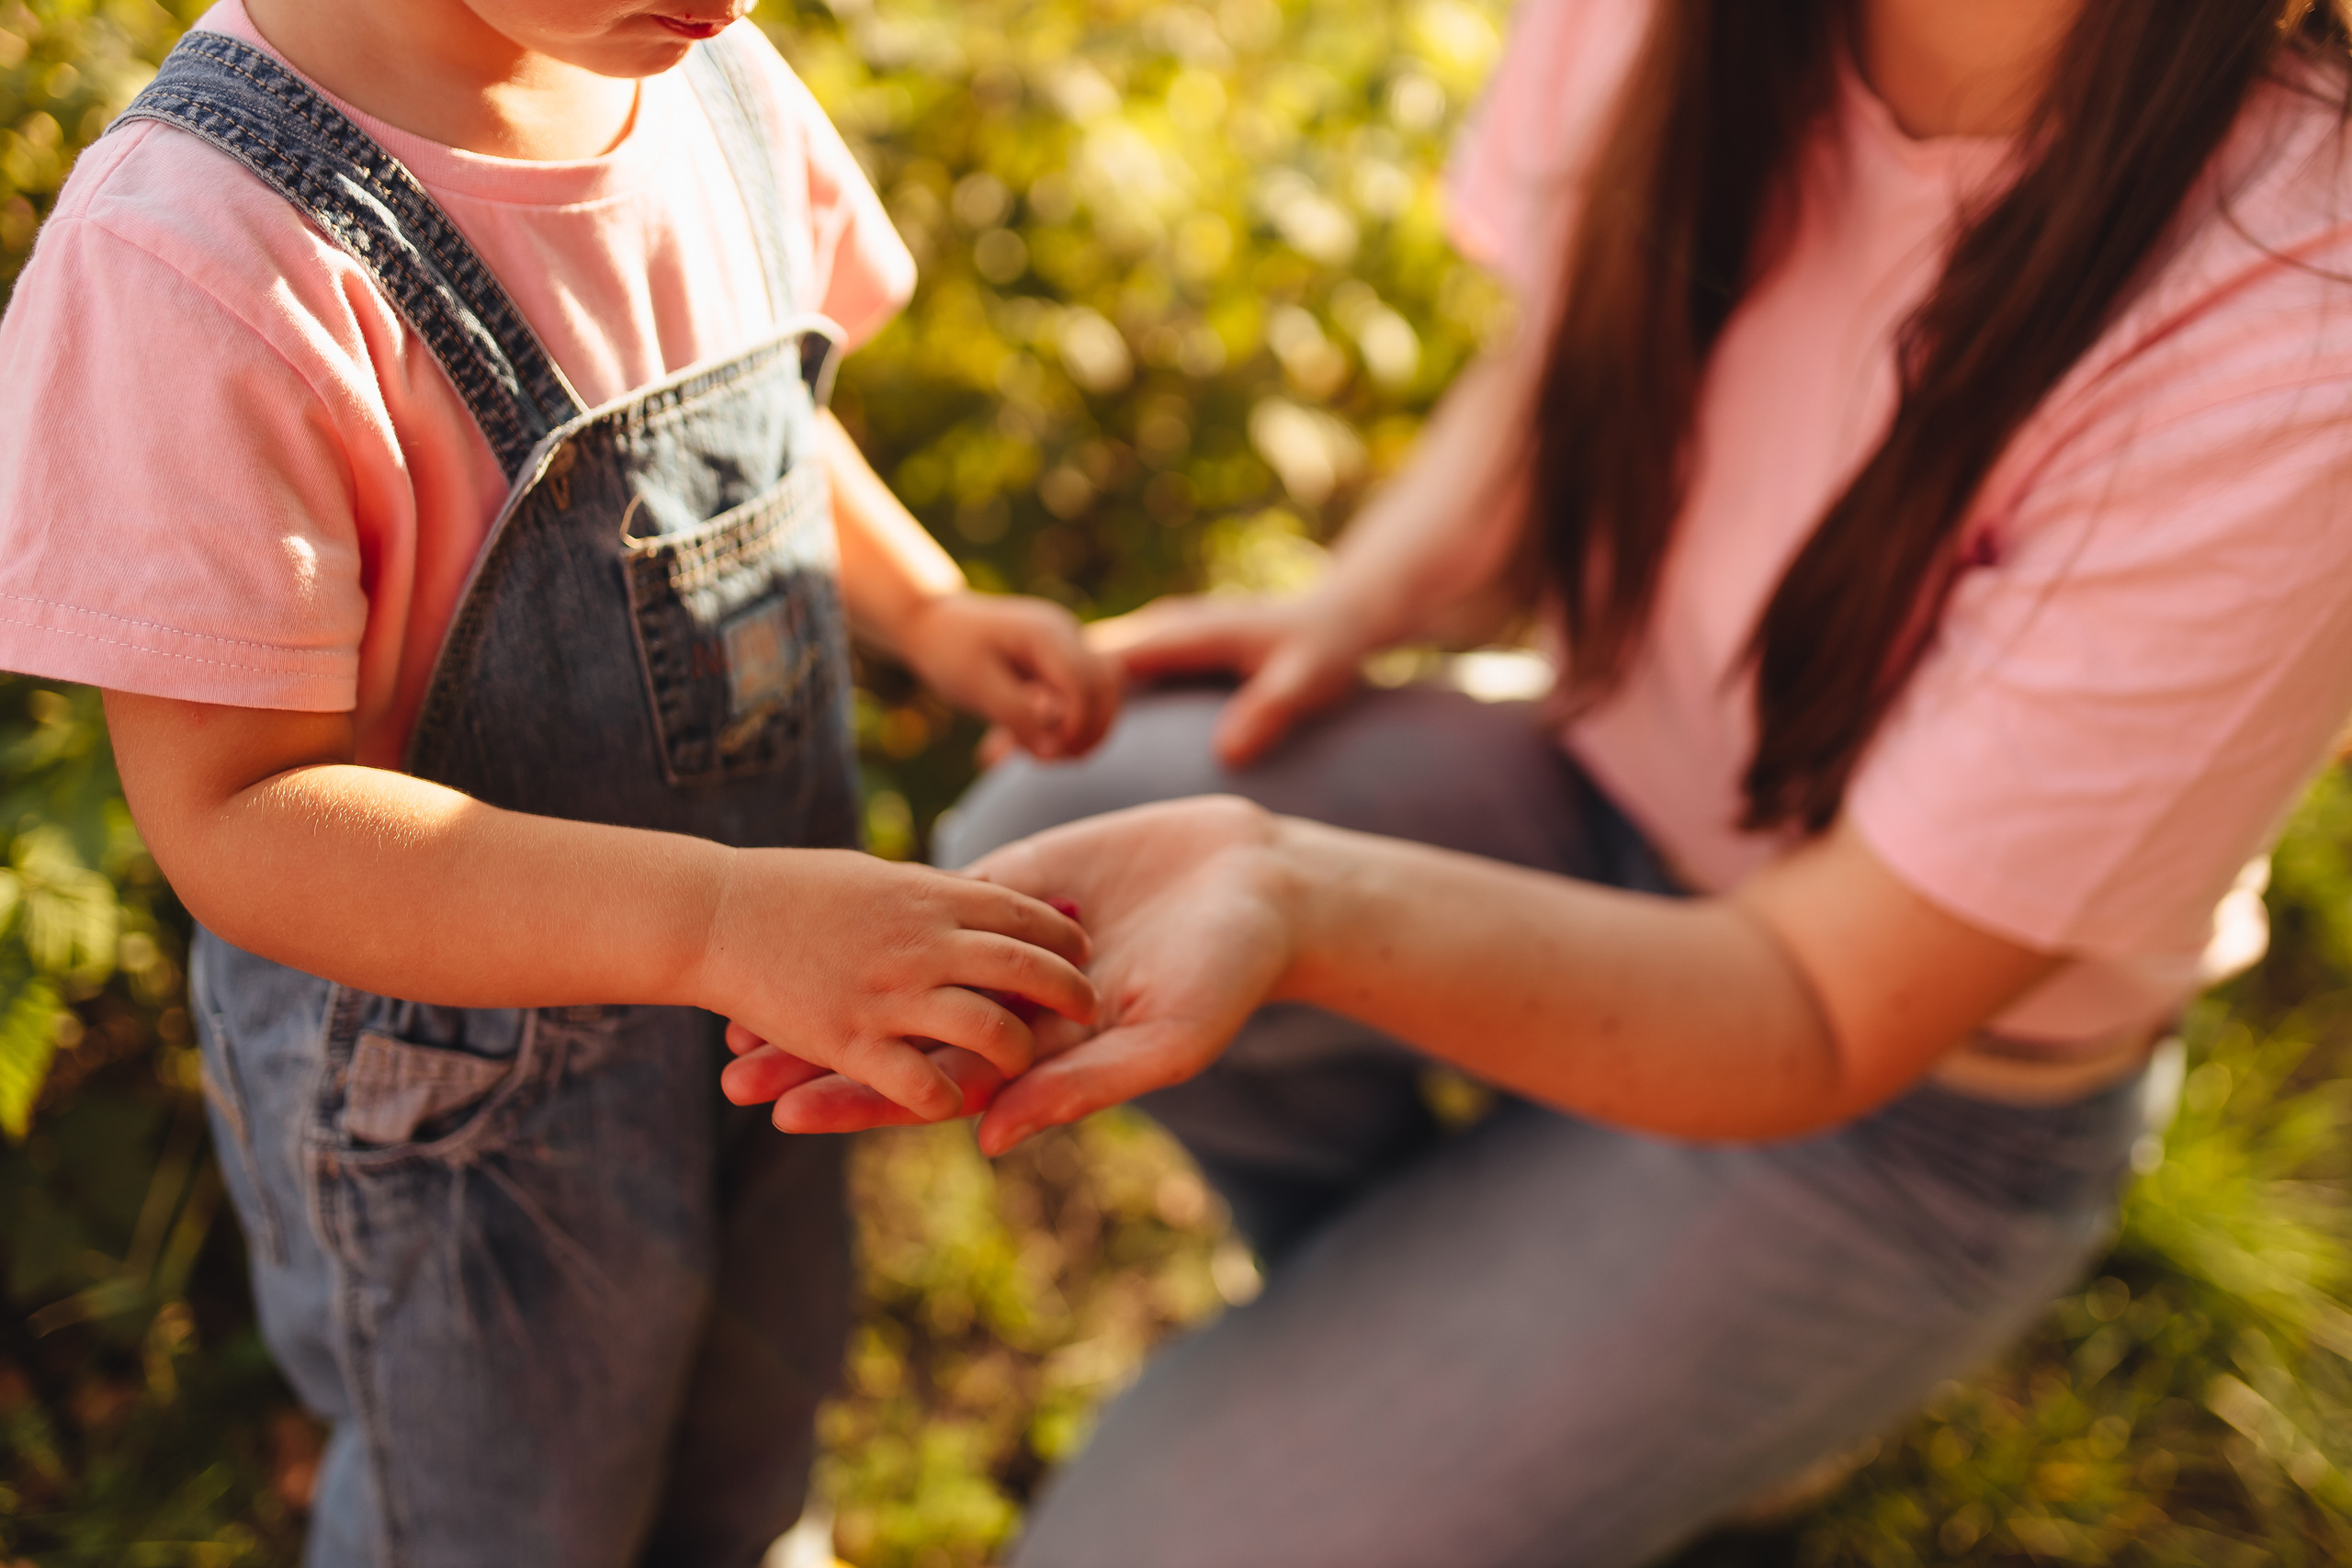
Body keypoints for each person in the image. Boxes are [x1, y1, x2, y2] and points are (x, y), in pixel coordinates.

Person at [725, 1, 2352, 1562]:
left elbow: (1822, 1009)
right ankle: (1479, 1317)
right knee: (1056, 838)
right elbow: (1584, 336)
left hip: (1900, 1096)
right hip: (1607, 785)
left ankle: (1608, 1373)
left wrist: (1298, 896)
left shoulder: (2306, 312)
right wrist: (1351, 610)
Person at [0, 2, 1123, 1563]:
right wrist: (718, 916)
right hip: (472, 1133)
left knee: (752, 1441)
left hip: (768, 1014)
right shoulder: (204, 257)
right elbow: (236, 812)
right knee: (506, 1523)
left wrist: (928, 609)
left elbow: (768, 418)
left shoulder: (702, 77)